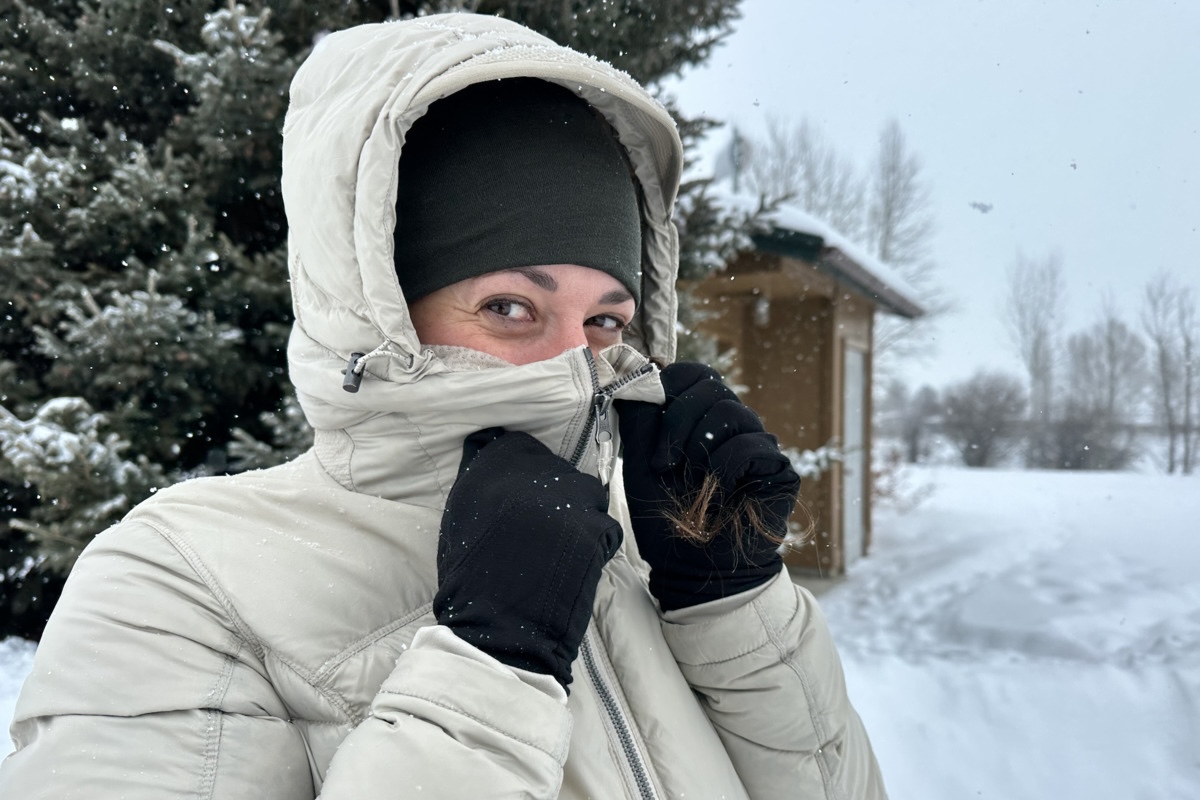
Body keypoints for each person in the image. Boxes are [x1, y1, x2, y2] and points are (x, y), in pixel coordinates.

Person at [0, 13, 886, 799]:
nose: (573, 365)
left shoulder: (640, 546)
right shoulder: (182, 579)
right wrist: (487, 669)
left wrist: (734, 606)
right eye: (509, 307)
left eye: (606, 321)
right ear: (379, 306)